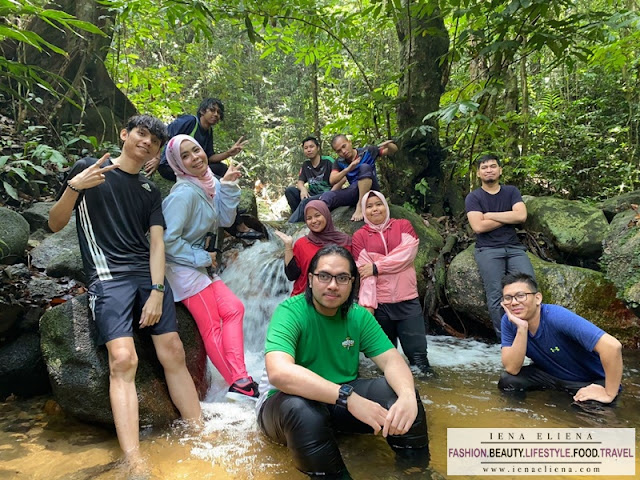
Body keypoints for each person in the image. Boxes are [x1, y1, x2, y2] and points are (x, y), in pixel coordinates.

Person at [48, 115, 202, 469]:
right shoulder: (92, 169)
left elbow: (158, 244)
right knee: (123, 359)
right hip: (107, 277)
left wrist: (159, 291)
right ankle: (133, 459)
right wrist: (75, 186)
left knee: (174, 350)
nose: (146, 142)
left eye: (154, 141)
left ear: (159, 151)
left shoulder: (150, 190)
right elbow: (55, 224)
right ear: (125, 134)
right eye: (141, 134)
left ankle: (200, 432)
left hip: (146, 276)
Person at [256, 245, 430, 479]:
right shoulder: (290, 312)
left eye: (342, 278)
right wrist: (348, 398)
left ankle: (416, 472)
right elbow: (279, 373)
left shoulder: (357, 315)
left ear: (352, 283)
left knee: (400, 395)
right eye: (324, 276)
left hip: (339, 403)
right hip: (285, 407)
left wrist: (408, 396)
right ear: (310, 279)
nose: (332, 285)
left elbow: (392, 360)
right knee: (302, 411)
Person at [161, 134, 259, 401]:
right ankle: (238, 382)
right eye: (186, 156)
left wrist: (226, 186)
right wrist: (202, 258)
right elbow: (165, 241)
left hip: (202, 265)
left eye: (197, 150)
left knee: (234, 308)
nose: (195, 158)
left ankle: (240, 377)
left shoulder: (208, 183)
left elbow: (225, 219)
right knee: (211, 324)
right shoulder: (182, 194)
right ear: (177, 165)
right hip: (182, 268)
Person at [499, 273, 623, 405]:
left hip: (588, 380)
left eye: (520, 296)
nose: (514, 302)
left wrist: (609, 393)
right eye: (508, 298)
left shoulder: (557, 317)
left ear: (537, 298)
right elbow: (512, 368)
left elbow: (612, 346)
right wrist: (522, 329)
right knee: (508, 381)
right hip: (551, 376)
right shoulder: (508, 321)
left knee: (588, 410)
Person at [147, 97, 262, 240]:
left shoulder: (208, 132)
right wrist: (156, 158)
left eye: (219, 113)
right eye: (212, 110)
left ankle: (231, 208)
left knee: (222, 168)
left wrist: (228, 153)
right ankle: (238, 226)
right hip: (169, 166)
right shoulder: (190, 121)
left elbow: (210, 157)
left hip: (191, 165)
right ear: (202, 111)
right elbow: (164, 133)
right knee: (216, 181)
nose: (216, 115)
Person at [352, 191, 431, 374]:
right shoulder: (359, 236)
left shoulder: (403, 225)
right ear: (364, 211)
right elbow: (365, 272)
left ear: (386, 206)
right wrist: (367, 305)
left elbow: (407, 254)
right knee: (385, 362)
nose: (374, 209)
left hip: (408, 301)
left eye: (378, 204)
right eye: (369, 206)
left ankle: (430, 397)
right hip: (380, 305)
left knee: (419, 359)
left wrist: (377, 266)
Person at [465, 153, 536, 340]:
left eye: (493, 166)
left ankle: (534, 335)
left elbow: (521, 216)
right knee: (497, 294)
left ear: (500, 170)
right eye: (484, 167)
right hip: (487, 250)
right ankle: (506, 339)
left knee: (529, 287)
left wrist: (489, 215)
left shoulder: (511, 191)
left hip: (514, 248)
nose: (489, 170)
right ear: (479, 173)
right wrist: (507, 217)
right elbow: (478, 226)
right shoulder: (473, 197)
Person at [274, 200, 351, 296]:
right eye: (309, 218)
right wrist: (288, 246)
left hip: (333, 297)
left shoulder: (344, 242)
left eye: (317, 215)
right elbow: (291, 275)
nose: (314, 221)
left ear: (326, 214)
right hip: (302, 298)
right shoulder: (301, 243)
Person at [319, 134, 397, 222]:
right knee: (327, 196)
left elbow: (393, 150)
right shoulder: (339, 162)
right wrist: (348, 169)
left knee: (364, 167)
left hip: (371, 189)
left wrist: (388, 145)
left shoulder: (367, 151)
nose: (343, 151)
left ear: (349, 142)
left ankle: (360, 205)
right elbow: (332, 180)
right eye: (339, 151)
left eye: (344, 146)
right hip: (354, 190)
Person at [285, 136, 345, 223]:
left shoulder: (328, 161)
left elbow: (342, 178)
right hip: (313, 195)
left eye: (311, 147)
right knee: (290, 191)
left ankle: (290, 225)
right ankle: (300, 220)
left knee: (306, 202)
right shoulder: (306, 165)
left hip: (328, 194)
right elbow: (300, 182)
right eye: (306, 148)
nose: (309, 150)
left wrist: (331, 193)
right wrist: (303, 189)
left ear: (318, 148)